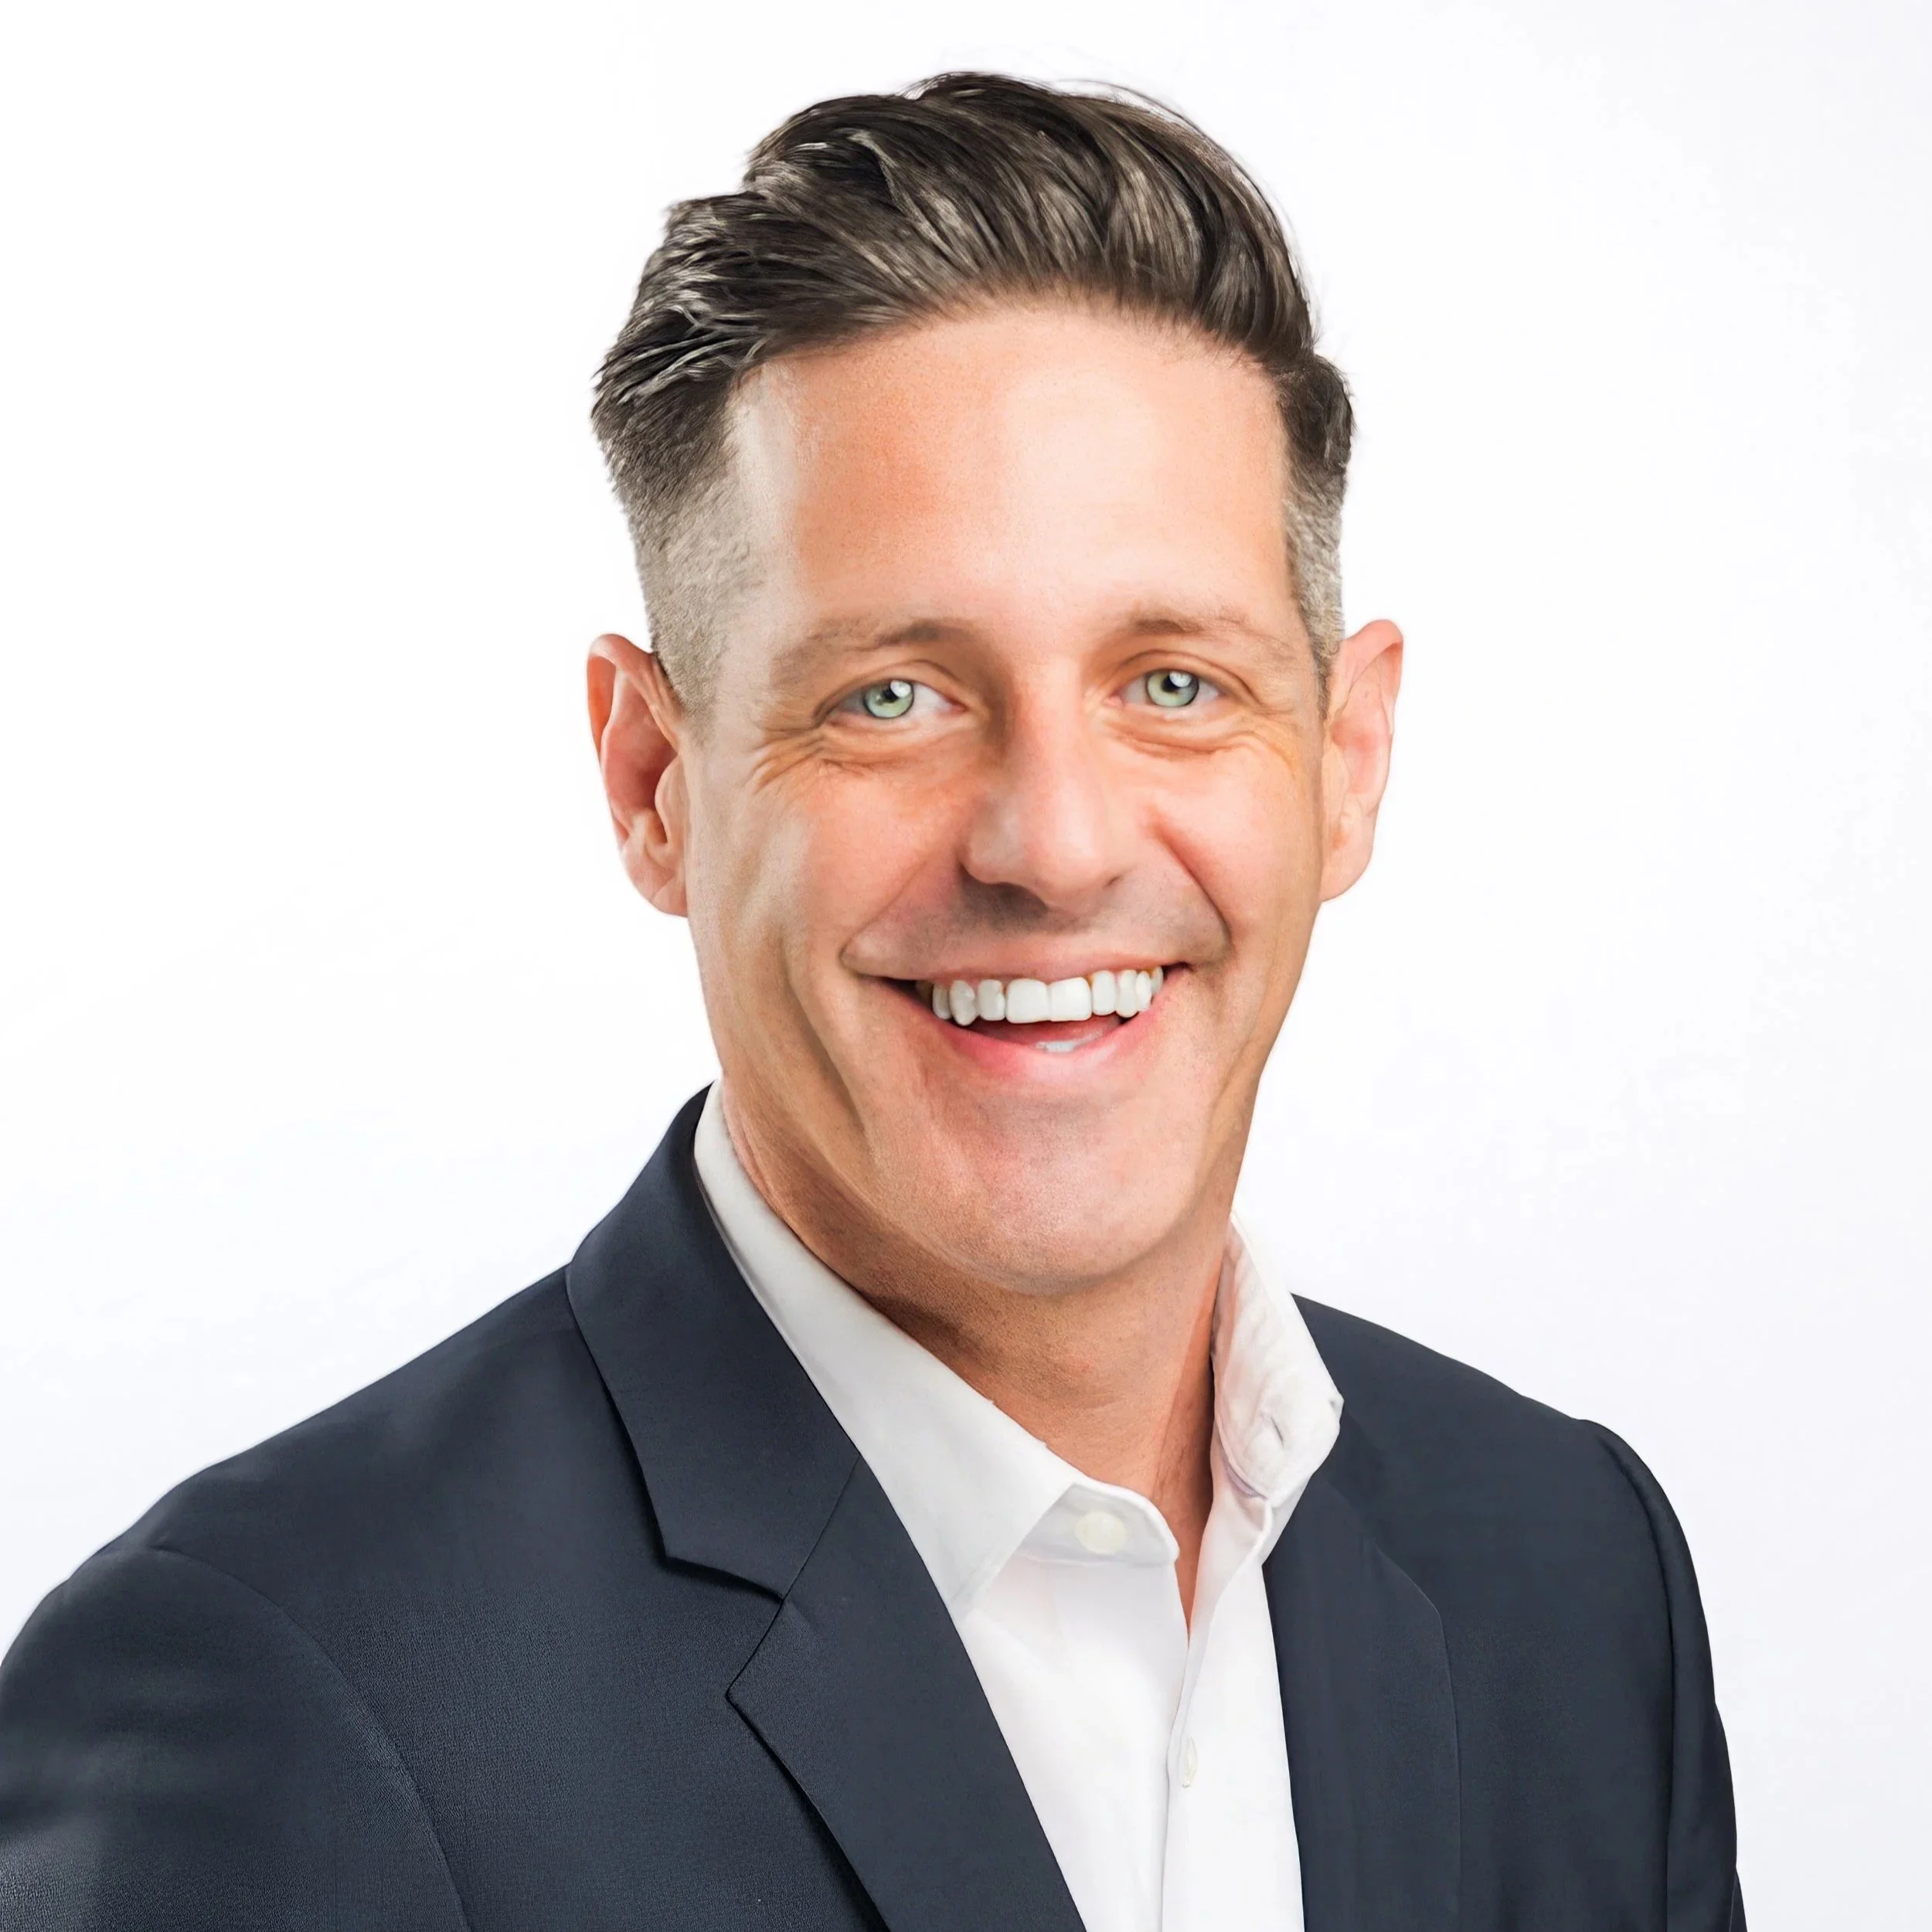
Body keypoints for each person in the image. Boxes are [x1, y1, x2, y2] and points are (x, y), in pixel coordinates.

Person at [0, 72, 1743, 1932]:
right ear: (653, 779)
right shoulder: (276, 1696)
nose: (1054, 845)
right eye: (891, 696)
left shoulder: (1568, 1573)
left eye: (1171, 682)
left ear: (1346, 757)